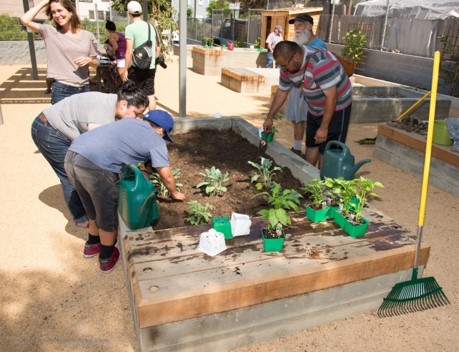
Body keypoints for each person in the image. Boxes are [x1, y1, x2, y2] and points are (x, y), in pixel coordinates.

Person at [64, 110, 186, 273]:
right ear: (161, 130)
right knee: (108, 213)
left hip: (73, 154)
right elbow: (167, 176)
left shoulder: (129, 122)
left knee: (91, 207)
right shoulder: (155, 139)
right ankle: (106, 257)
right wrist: (174, 193)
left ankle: (92, 245)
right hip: (96, 166)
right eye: (164, 134)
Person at [31, 81, 149, 228]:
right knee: (71, 175)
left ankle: (89, 210)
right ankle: (81, 217)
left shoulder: (114, 102)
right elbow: (98, 151)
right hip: (49, 131)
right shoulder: (100, 117)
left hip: (63, 129)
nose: (137, 119)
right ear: (124, 104)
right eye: (136, 114)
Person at [263, 41, 352, 169]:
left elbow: (332, 98)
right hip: (314, 106)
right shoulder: (287, 66)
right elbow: (282, 91)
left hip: (338, 105)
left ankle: (323, 182)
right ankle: (308, 176)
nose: (283, 69)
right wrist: (269, 117)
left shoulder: (320, 63)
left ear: (295, 57)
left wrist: (324, 127)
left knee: (328, 149)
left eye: (284, 65)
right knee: (312, 143)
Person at [20, 0, 99, 105]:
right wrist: (45, 2)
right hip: (62, 90)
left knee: (83, 121)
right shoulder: (50, 32)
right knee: (61, 121)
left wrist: (89, 60)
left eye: (60, 10)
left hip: (84, 88)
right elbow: (25, 20)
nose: (57, 15)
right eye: (53, 12)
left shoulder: (88, 36)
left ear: (71, 12)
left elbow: (97, 63)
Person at [286, 13, 327, 157]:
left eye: (300, 25)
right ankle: (297, 149)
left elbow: (322, 71)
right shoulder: (297, 43)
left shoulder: (320, 46)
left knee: (309, 121)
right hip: (295, 87)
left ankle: (313, 152)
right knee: (296, 119)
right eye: (295, 25)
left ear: (309, 26)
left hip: (311, 91)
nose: (296, 28)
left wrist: (307, 84)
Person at [123, 1, 157, 111]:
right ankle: (153, 119)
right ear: (141, 13)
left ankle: (134, 118)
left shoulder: (130, 28)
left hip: (137, 66)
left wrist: (125, 69)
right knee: (150, 94)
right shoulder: (150, 26)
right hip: (150, 65)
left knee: (133, 94)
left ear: (129, 13)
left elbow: (129, 51)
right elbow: (157, 46)